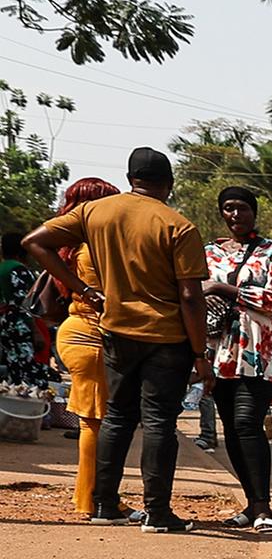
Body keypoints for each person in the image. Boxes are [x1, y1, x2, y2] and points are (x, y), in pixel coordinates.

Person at [24, 146, 210, 532]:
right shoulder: (179, 226)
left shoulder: (95, 212)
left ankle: (105, 504)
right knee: (160, 422)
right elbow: (191, 297)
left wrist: (82, 289)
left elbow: (34, 242)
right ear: (169, 184)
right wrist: (199, 351)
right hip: (166, 337)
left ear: (130, 180)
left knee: (117, 418)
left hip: (115, 332)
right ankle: (158, 514)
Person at [203, 185, 272, 533]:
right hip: (220, 351)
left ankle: (264, 507)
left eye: (241, 207)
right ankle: (250, 503)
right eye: (228, 208)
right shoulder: (209, 253)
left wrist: (223, 289)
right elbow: (195, 291)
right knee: (231, 430)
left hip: (261, 350)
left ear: (254, 211)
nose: (235, 214)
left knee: (247, 424)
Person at [46, 178, 123, 513]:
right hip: (90, 336)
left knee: (96, 422)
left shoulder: (73, 245)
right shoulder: (94, 249)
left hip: (77, 333)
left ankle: (93, 497)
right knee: (94, 423)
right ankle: (90, 501)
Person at [0, 231, 55, 395]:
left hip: (4, 324)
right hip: (21, 326)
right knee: (32, 371)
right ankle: (31, 411)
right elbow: (25, 304)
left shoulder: (2, 269)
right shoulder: (19, 270)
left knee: (14, 367)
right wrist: (36, 331)